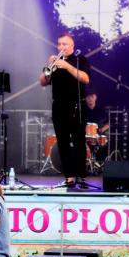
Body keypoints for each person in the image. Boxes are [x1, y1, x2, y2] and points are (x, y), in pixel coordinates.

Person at [39, 32, 90, 188]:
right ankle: (69, 177)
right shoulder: (55, 62)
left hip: (76, 106)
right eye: (59, 44)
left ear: (72, 46)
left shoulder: (80, 60)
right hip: (59, 107)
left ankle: (81, 176)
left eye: (65, 44)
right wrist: (49, 66)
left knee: (79, 141)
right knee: (63, 142)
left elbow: (85, 79)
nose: (61, 47)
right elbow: (42, 82)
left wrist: (67, 66)